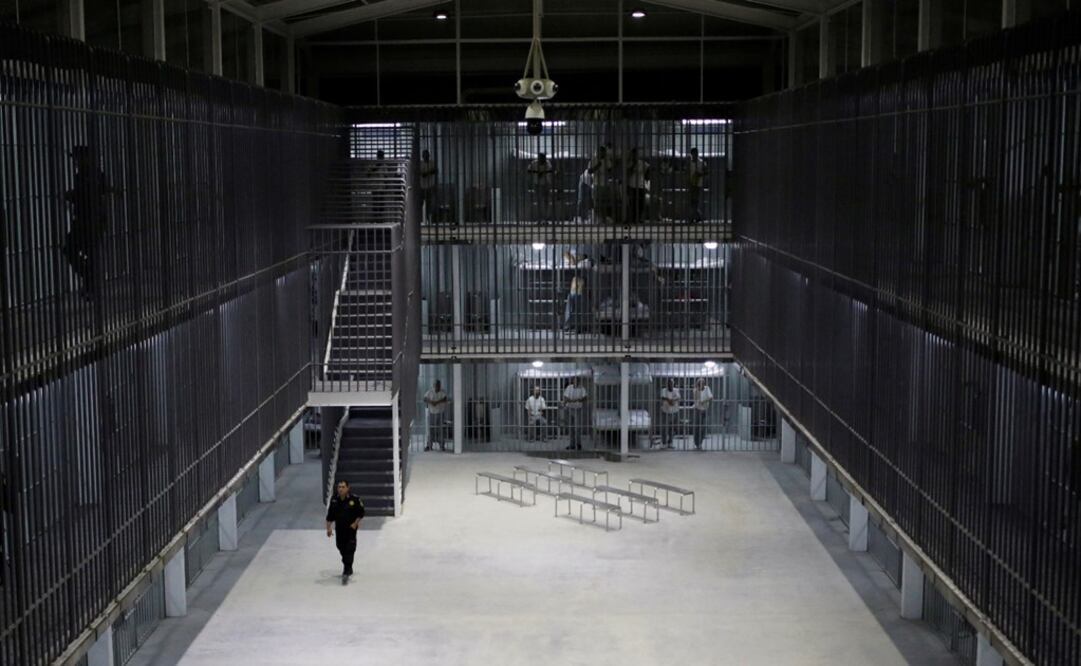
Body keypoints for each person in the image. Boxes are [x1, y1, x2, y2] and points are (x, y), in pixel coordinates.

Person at [63, 145, 112, 300]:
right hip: (93, 222)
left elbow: (86, 195)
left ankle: (90, 282)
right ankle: (90, 283)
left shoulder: (87, 175)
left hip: (87, 222)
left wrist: (69, 195)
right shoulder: (96, 173)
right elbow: (101, 191)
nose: (75, 162)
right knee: (88, 254)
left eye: (77, 158)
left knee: (72, 249)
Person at [325, 479, 365, 578]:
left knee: (350, 548)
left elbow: (361, 513)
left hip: (350, 528)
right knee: (340, 547)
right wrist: (328, 528)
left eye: (343, 487)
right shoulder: (334, 500)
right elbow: (330, 515)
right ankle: (347, 565)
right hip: (339, 529)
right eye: (339, 487)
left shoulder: (354, 499)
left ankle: (347, 569)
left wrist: (356, 523)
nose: (341, 489)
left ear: (348, 488)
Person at [562, 250, 593, 333]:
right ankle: (575, 327)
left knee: (574, 310)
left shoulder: (583, 262)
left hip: (578, 288)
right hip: (577, 288)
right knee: (576, 310)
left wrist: (570, 256)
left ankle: (572, 327)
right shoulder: (581, 263)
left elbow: (572, 261)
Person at [587, 145, 613, 222]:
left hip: (605, 184)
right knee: (596, 202)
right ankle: (597, 218)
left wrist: (609, 169)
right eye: (601, 152)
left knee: (604, 202)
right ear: (598, 152)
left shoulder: (607, 160)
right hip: (596, 184)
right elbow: (589, 171)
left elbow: (610, 170)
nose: (603, 154)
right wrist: (598, 165)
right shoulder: (593, 160)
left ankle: (603, 218)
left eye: (604, 152)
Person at [527, 152, 555, 222]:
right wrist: (537, 172)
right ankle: (540, 218)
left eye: (543, 159)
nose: (543, 160)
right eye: (541, 159)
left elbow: (551, 171)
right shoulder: (534, 163)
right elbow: (528, 170)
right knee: (539, 202)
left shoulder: (547, 162)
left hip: (546, 184)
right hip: (538, 184)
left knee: (546, 201)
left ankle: (545, 218)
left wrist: (542, 173)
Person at [562, 377, 588, 450]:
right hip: (569, 409)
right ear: (572, 381)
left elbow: (585, 397)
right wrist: (574, 400)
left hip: (577, 410)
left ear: (579, 381)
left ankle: (578, 444)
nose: (575, 382)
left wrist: (575, 400)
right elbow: (565, 397)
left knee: (577, 428)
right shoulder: (569, 387)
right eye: (574, 380)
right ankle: (572, 444)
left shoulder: (581, 388)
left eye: (577, 380)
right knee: (571, 428)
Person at [423, 380, 449, 451]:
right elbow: (424, 398)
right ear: (434, 385)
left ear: (440, 385)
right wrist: (431, 402)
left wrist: (436, 402)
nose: (437, 386)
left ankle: (442, 445)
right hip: (431, 413)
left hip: (440, 413)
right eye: (436, 385)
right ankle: (429, 445)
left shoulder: (442, 392)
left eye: (438, 385)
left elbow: (445, 399)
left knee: (440, 429)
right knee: (430, 429)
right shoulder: (430, 392)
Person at [626, 147, 650, 224]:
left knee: (641, 203)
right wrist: (633, 165)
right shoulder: (629, 163)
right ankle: (633, 219)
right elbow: (628, 174)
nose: (634, 156)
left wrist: (646, 176)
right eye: (633, 154)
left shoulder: (642, 163)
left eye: (635, 154)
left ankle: (639, 218)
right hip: (632, 186)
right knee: (632, 203)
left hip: (641, 186)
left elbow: (648, 169)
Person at [687, 147, 709, 223]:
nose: (694, 155)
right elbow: (687, 172)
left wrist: (700, 174)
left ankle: (693, 218)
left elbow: (706, 172)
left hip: (698, 184)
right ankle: (698, 216)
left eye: (695, 153)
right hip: (691, 183)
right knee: (693, 201)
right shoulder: (690, 163)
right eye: (693, 154)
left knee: (694, 201)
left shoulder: (701, 162)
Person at [659, 379, 681, 449]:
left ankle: (670, 443)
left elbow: (678, 397)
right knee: (664, 428)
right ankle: (664, 442)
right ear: (667, 384)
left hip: (674, 411)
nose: (671, 385)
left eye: (672, 383)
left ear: (673, 384)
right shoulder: (664, 390)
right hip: (665, 411)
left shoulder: (676, 390)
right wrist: (669, 400)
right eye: (669, 383)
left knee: (672, 428)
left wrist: (672, 401)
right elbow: (663, 398)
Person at [692, 378, 713, 450]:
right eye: (700, 384)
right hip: (697, 410)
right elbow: (696, 400)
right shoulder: (695, 390)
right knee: (697, 427)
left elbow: (711, 397)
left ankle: (700, 443)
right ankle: (696, 443)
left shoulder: (707, 388)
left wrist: (704, 401)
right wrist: (698, 390)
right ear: (698, 384)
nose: (702, 385)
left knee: (703, 427)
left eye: (703, 383)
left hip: (705, 410)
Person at [419, 149, 437, 223]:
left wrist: (427, 173)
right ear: (423, 156)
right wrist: (429, 172)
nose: (426, 156)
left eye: (427, 155)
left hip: (430, 186)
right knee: (420, 204)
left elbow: (435, 171)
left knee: (429, 204)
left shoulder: (432, 162)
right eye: (424, 155)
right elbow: (423, 174)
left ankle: (428, 219)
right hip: (422, 186)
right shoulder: (420, 163)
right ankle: (421, 220)